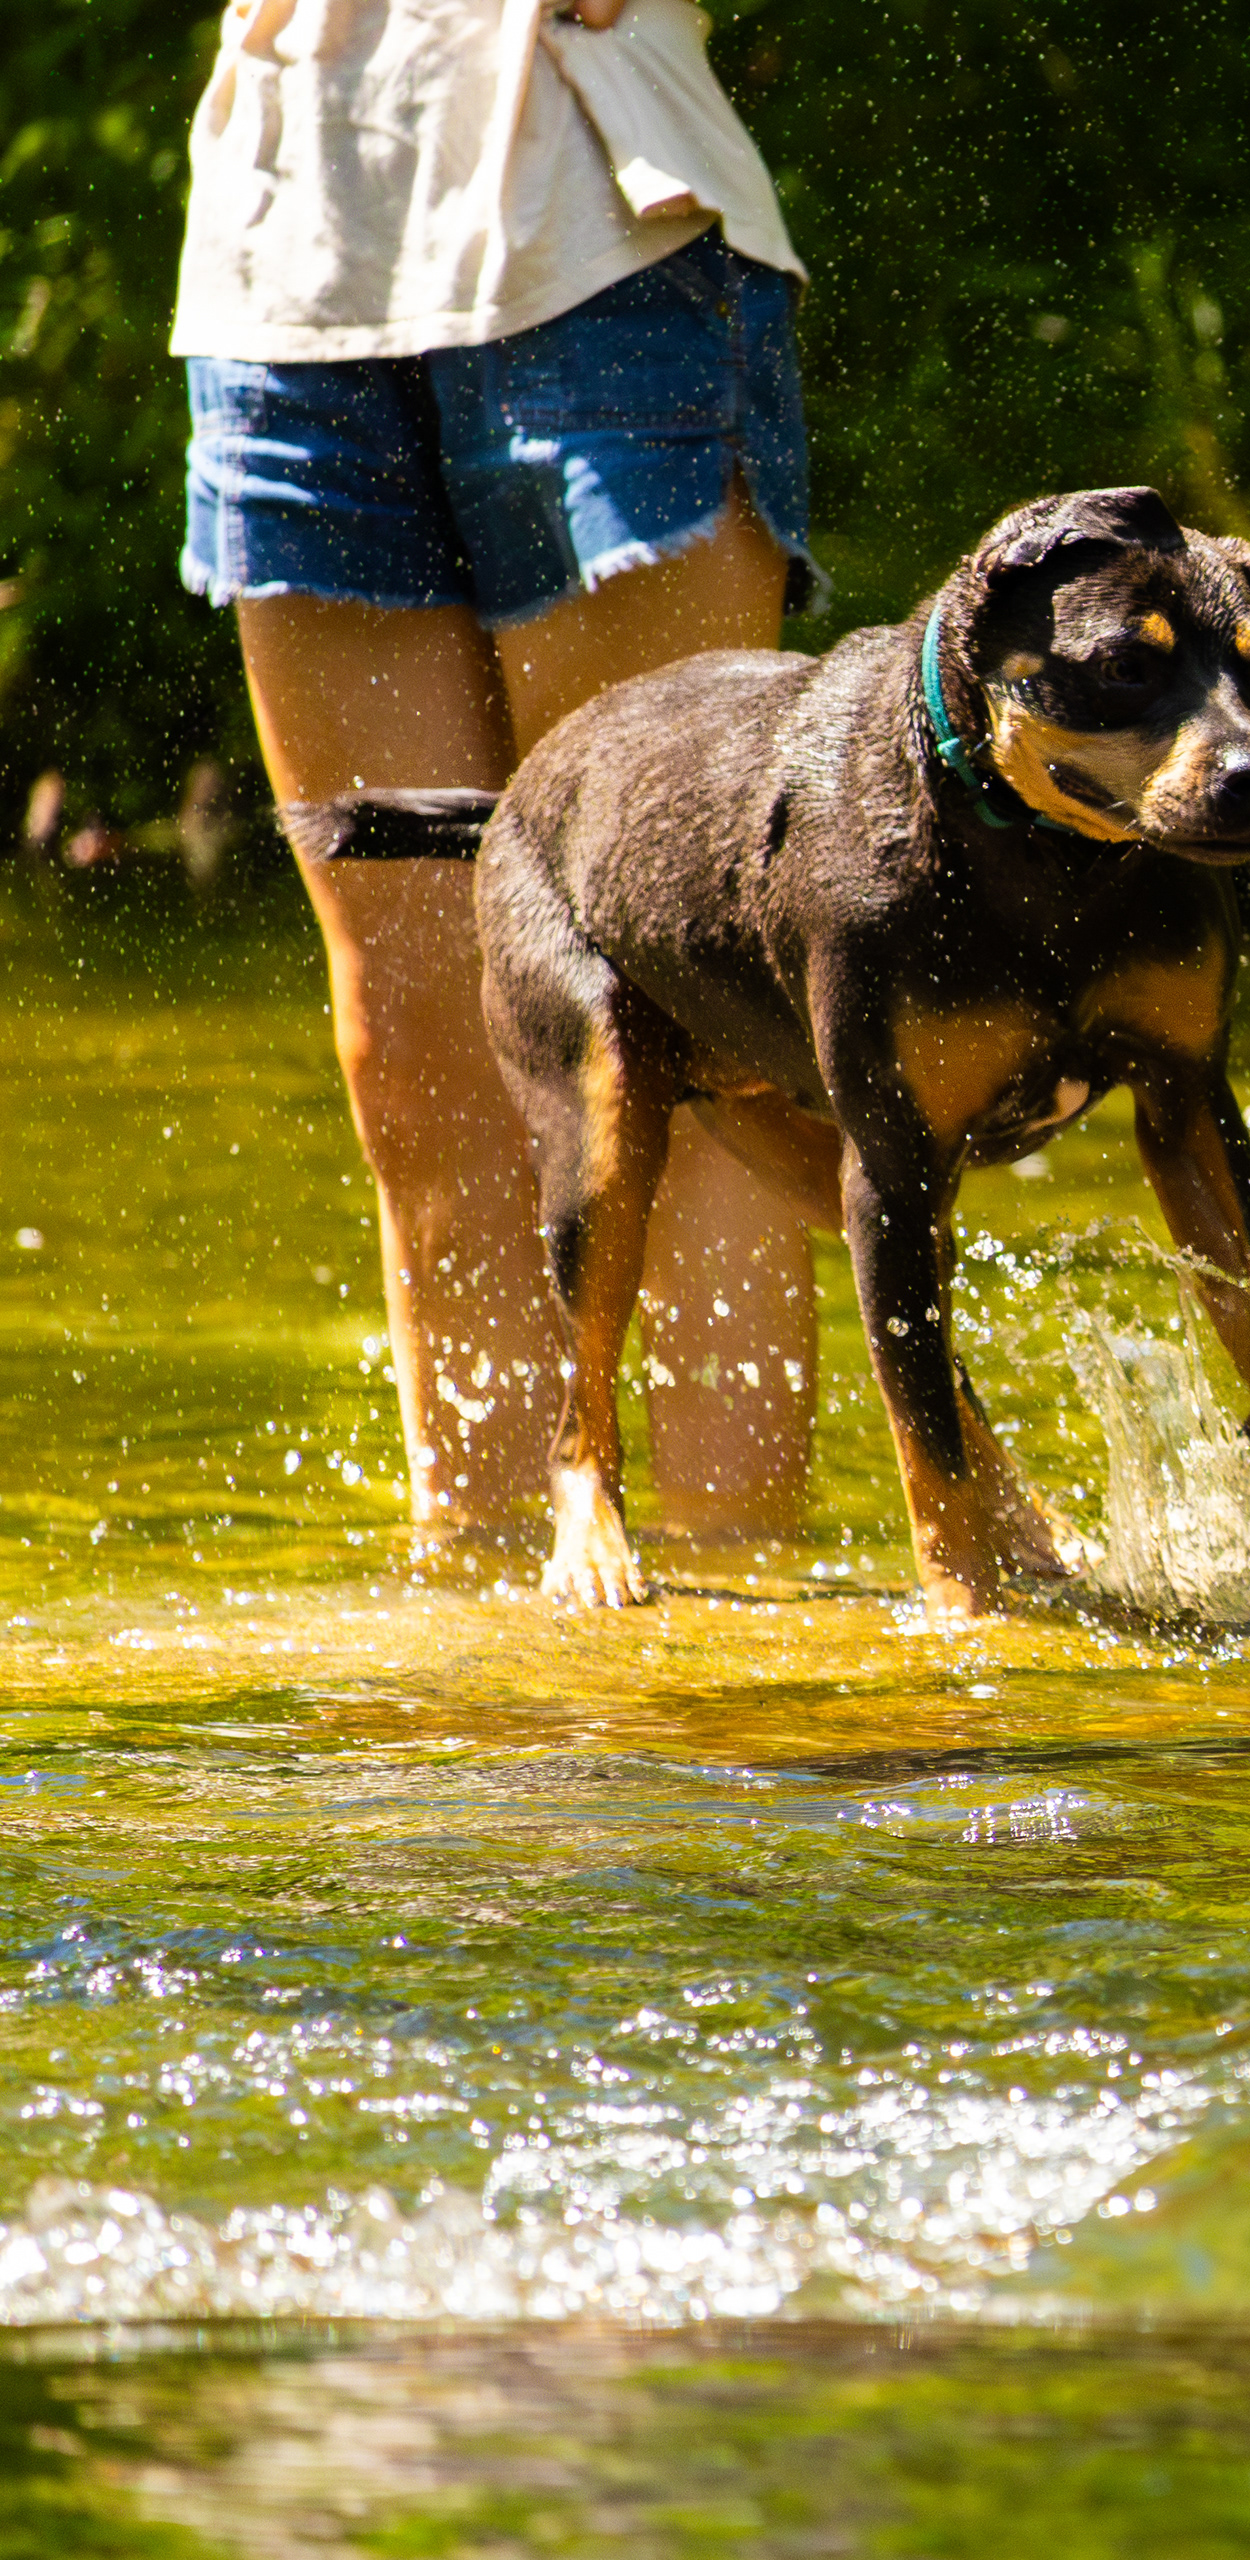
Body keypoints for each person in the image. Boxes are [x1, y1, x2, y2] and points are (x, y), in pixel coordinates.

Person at [173, 0, 820, 1542]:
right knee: (413, 1037)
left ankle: (746, 1645)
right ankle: (491, 1623)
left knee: (685, 1009)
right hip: (285, 268)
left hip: (595, 224)